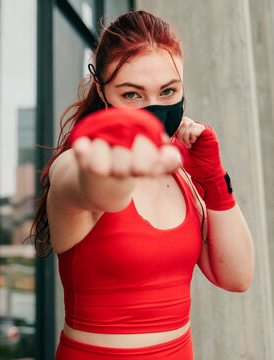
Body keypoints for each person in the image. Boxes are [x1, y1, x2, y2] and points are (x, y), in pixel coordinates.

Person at [29, 10, 254, 360]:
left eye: (168, 91)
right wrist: (118, 172)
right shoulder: (77, 163)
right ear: (103, 94)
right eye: (132, 95)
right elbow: (96, 187)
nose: (154, 107)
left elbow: (237, 277)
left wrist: (213, 181)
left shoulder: (180, 173)